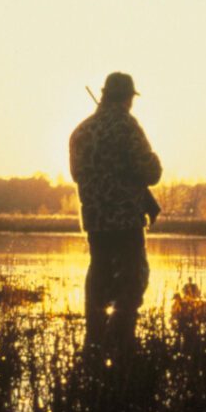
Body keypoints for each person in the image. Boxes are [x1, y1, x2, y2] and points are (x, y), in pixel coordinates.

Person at [69, 72, 162, 352]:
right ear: (127, 98)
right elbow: (150, 172)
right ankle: (122, 340)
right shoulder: (127, 126)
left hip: (95, 221)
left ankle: (95, 339)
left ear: (105, 93)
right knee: (133, 278)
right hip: (126, 221)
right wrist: (154, 162)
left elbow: (77, 175)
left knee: (99, 273)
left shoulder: (81, 131)